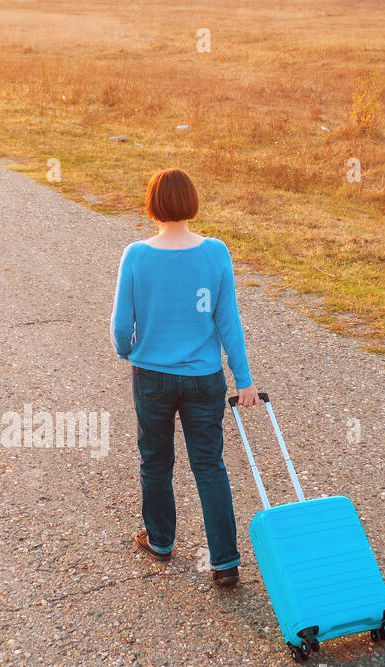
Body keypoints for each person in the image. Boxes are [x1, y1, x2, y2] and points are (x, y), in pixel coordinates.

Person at [110, 168, 256, 588]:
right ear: (191, 202)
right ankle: (225, 562)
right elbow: (228, 321)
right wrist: (243, 380)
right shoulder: (216, 253)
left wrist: (127, 351)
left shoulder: (136, 255)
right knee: (209, 464)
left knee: (156, 460)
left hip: (152, 376)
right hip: (204, 379)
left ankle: (159, 540)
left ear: (152, 204)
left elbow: (122, 325)